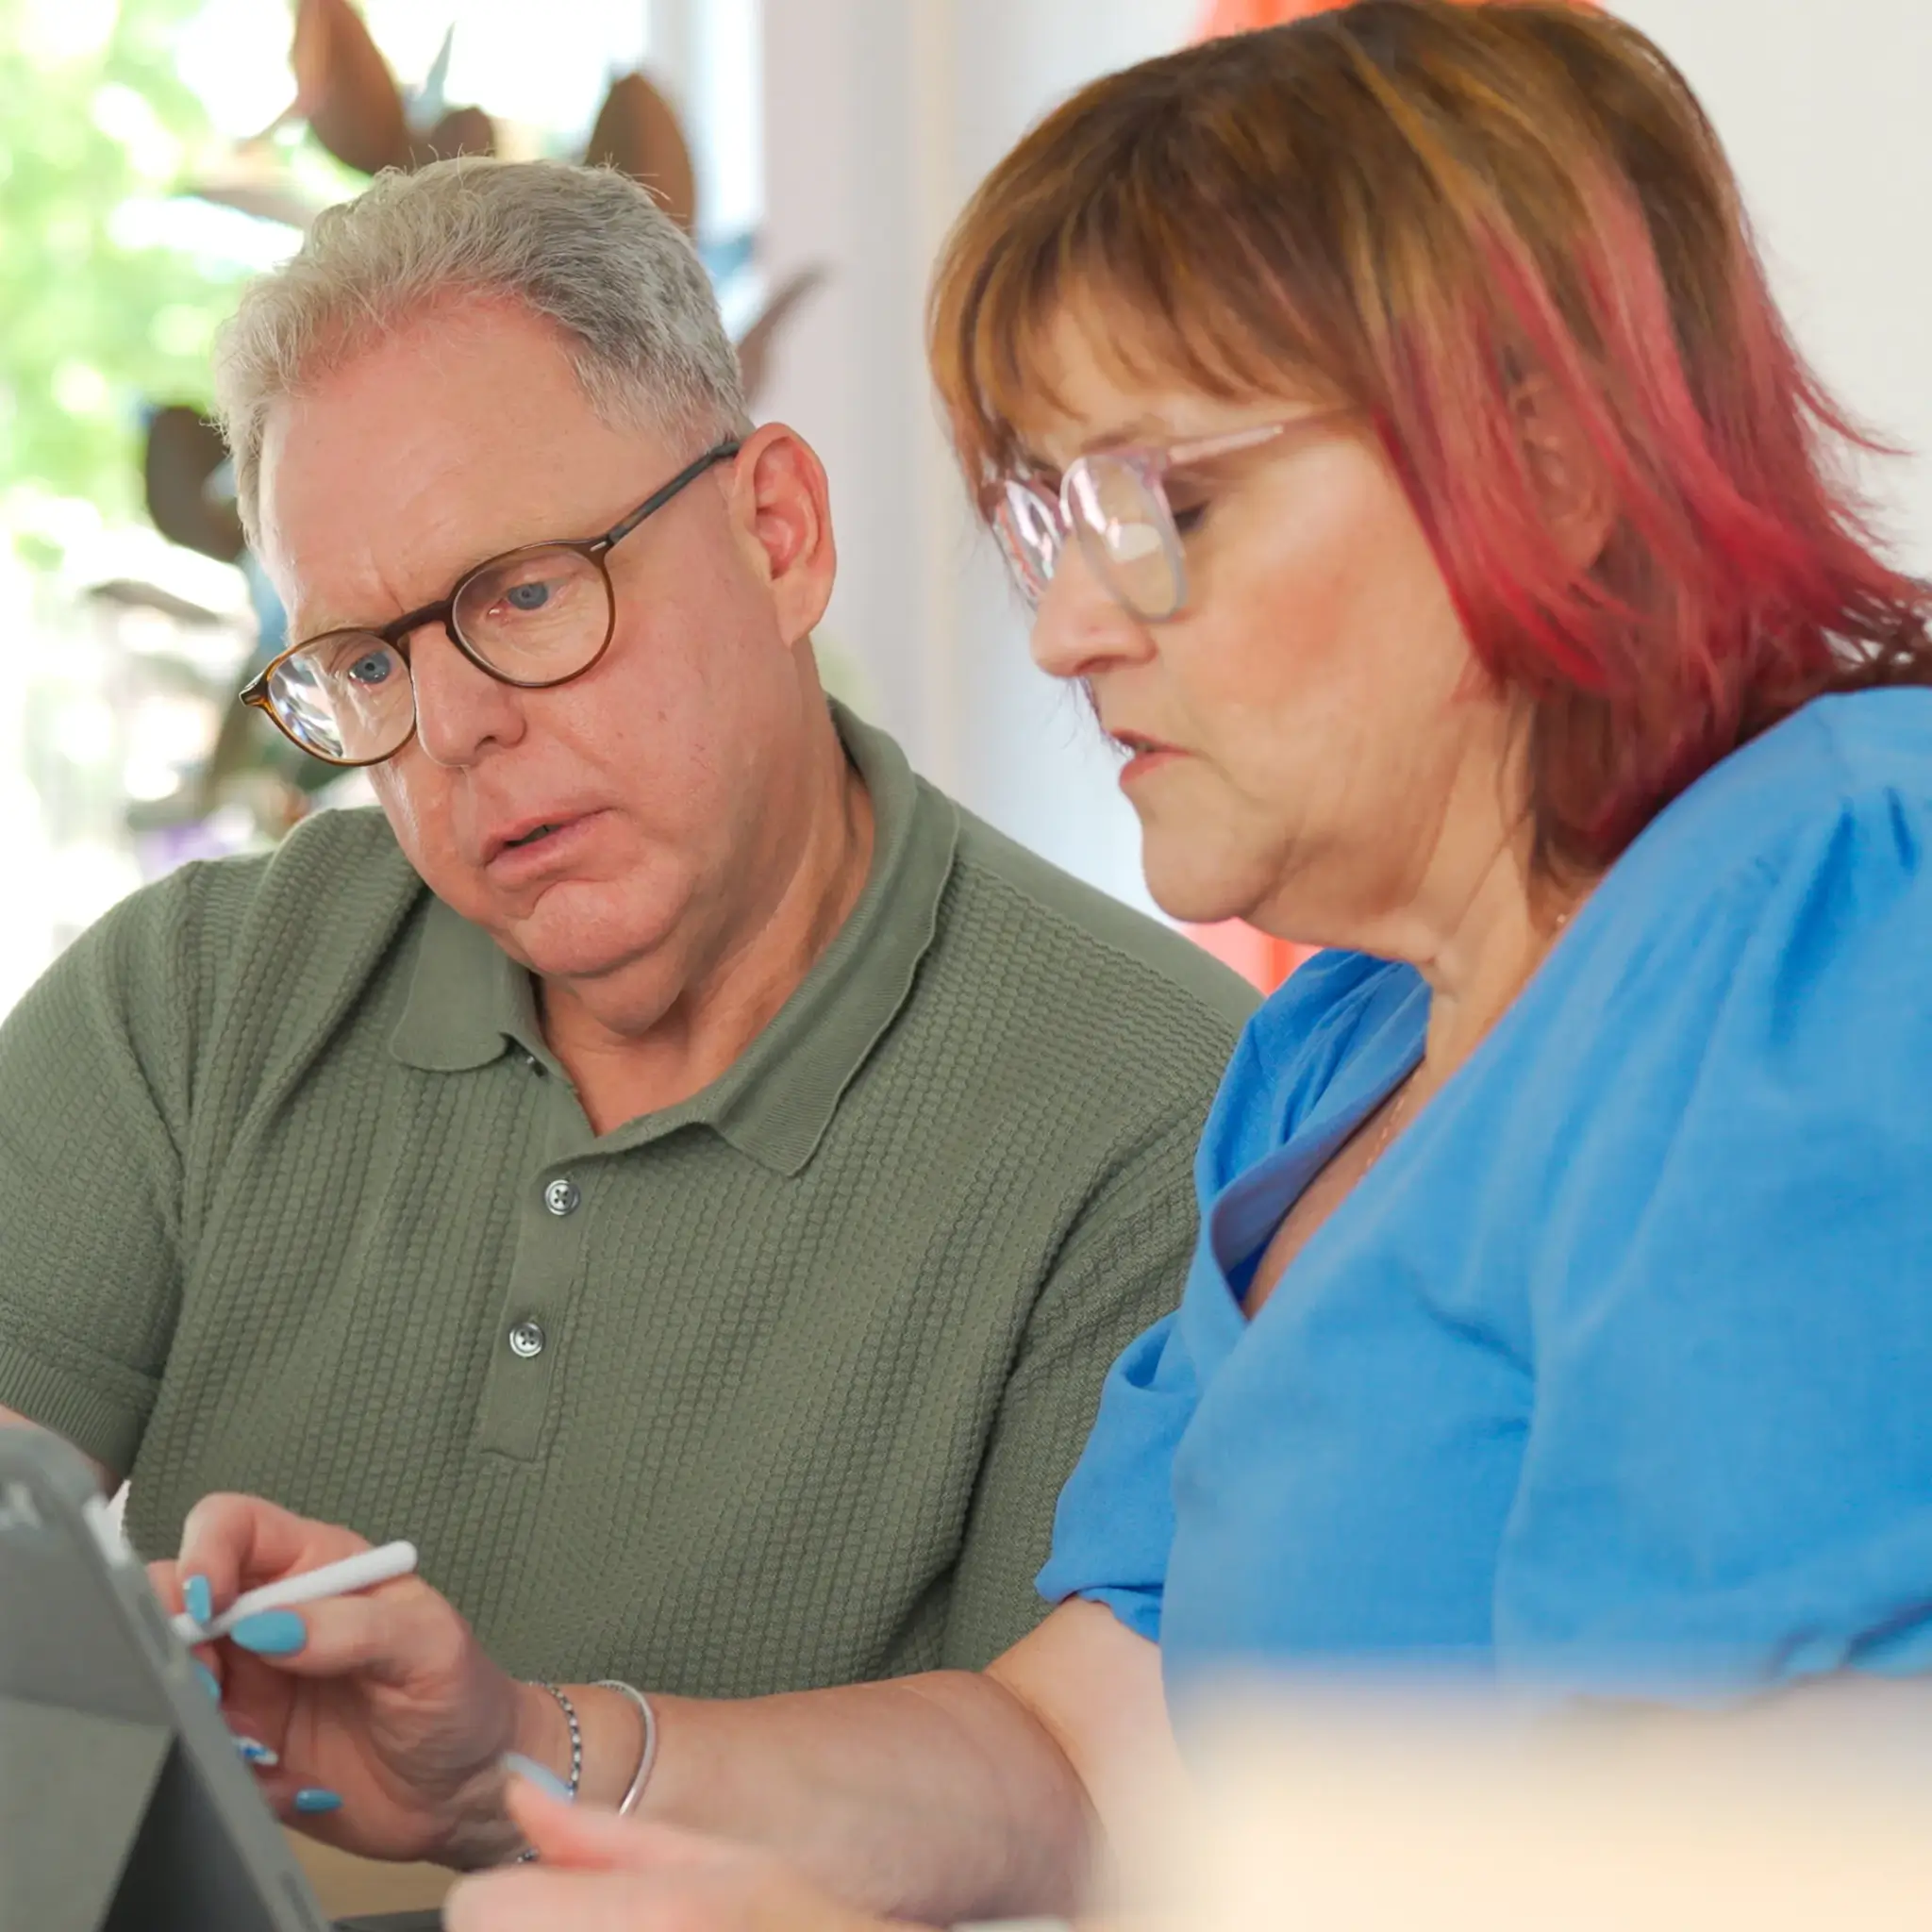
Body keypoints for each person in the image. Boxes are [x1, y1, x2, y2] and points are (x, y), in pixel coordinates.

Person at [144, 3, 1932, 1927]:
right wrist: (512, 1757)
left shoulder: (1824, 914)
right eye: (1042, 518)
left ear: (1548, 460)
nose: (1067, 627)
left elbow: (1757, 1876)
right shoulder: (1330, 1060)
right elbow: (1081, 1764)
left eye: (1166, 506)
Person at [0, 156, 1257, 1721]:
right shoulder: (193, 997)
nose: (451, 730)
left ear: (778, 535)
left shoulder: (1170, 1118)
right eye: (359, 665)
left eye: (523, 596)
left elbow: (1061, 1814)